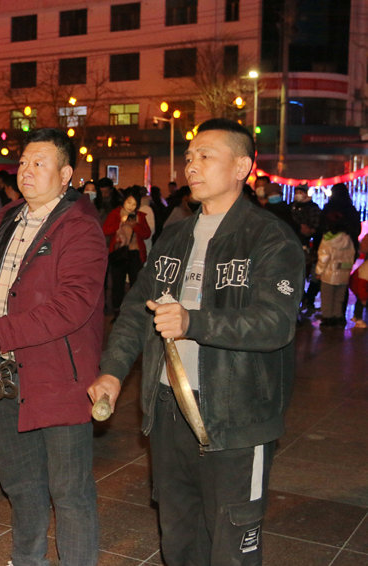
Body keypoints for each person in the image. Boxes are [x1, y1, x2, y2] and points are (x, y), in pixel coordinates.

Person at [90, 118, 304, 566]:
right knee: (179, 533)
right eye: (189, 157)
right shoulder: (175, 235)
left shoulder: (270, 237)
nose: (192, 166)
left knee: (232, 541)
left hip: (237, 416)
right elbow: (135, 310)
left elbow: (275, 324)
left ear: (242, 166)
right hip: (169, 408)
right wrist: (112, 372)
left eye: (206, 156)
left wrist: (193, 322)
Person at [0, 128, 107, 566]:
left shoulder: (80, 227)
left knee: (69, 490)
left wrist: (2, 331)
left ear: (65, 175)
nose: (26, 171)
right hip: (7, 373)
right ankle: (27, 559)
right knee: (20, 482)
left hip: (59, 378)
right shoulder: (8, 217)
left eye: (39, 163)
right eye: (23, 162)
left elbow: (73, 305)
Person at [103, 187, 151, 317]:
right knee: (118, 283)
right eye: (129, 203)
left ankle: (134, 312)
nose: (131, 206)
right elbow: (106, 230)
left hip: (135, 253)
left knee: (135, 283)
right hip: (119, 252)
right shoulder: (115, 213)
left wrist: (135, 225)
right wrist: (121, 222)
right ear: (124, 201)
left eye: (134, 204)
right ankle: (117, 312)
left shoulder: (140, 216)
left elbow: (146, 234)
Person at [315, 213, 355, 327]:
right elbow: (352, 255)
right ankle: (338, 316)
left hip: (329, 274)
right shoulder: (348, 239)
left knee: (327, 297)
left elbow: (323, 258)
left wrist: (318, 272)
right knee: (339, 298)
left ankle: (327, 317)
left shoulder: (327, 240)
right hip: (343, 273)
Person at [290, 185, 322, 315]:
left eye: (300, 192)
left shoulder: (313, 208)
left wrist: (307, 230)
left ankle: (306, 300)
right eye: (296, 192)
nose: (298, 194)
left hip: (306, 247)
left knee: (304, 275)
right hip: (292, 245)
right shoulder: (291, 206)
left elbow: (314, 228)